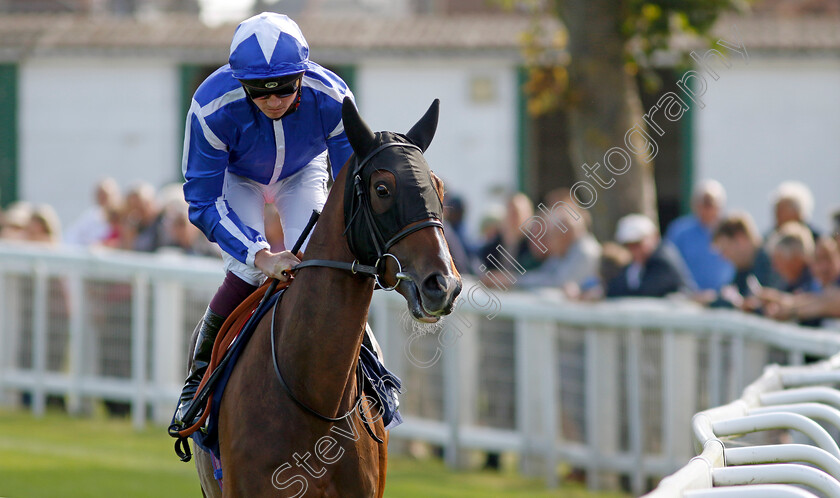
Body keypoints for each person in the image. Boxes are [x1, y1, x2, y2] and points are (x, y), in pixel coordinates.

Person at [175, 13, 355, 422]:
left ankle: (370, 367)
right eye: (259, 92)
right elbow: (202, 203)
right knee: (251, 272)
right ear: (240, 82)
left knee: (321, 266)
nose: (273, 102)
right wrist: (260, 256)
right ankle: (198, 376)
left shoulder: (334, 97)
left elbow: (349, 187)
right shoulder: (210, 106)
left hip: (304, 171)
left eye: (285, 90)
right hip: (239, 178)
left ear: (302, 77)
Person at [664, 180, 734, 291]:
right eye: (704, 204)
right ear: (695, 205)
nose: (708, 209)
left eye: (711, 204)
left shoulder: (730, 231)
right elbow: (670, 264)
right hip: (688, 298)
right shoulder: (679, 231)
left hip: (724, 298)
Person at [606, 214, 696, 298]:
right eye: (628, 245)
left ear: (654, 237)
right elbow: (615, 289)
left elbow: (645, 292)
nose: (634, 250)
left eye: (637, 243)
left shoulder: (662, 259)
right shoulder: (634, 265)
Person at [711, 211, 780, 309]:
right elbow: (731, 295)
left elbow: (765, 303)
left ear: (741, 238)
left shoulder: (773, 263)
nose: (723, 256)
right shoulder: (743, 267)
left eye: (724, 249)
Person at [64, 177, 121, 247]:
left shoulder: (121, 218)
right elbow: (71, 236)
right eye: (100, 194)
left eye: (105, 195)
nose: (102, 198)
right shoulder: (90, 216)